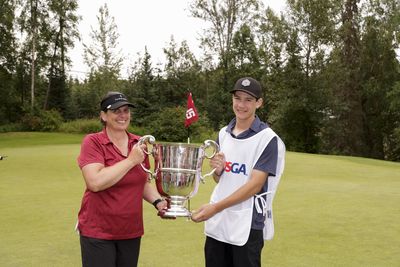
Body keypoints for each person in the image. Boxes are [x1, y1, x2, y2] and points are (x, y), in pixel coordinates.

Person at [191, 77, 285, 267]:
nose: (241, 105)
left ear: (259, 103)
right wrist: (218, 171)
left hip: (247, 224)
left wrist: (215, 207)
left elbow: (254, 186)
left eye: (248, 100)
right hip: (219, 222)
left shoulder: (267, 139)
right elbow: (222, 179)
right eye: (238, 98)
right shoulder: (223, 133)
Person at [76, 91, 168, 267]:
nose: (122, 115)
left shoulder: (138, 143)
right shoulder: (93, 142)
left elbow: (142, 181)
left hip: (130, 231)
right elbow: (95, 182)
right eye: (116, 111)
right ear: (103, 115)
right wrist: (130, 160)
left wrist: (158, 201)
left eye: (126, 110)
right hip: (98, 232)